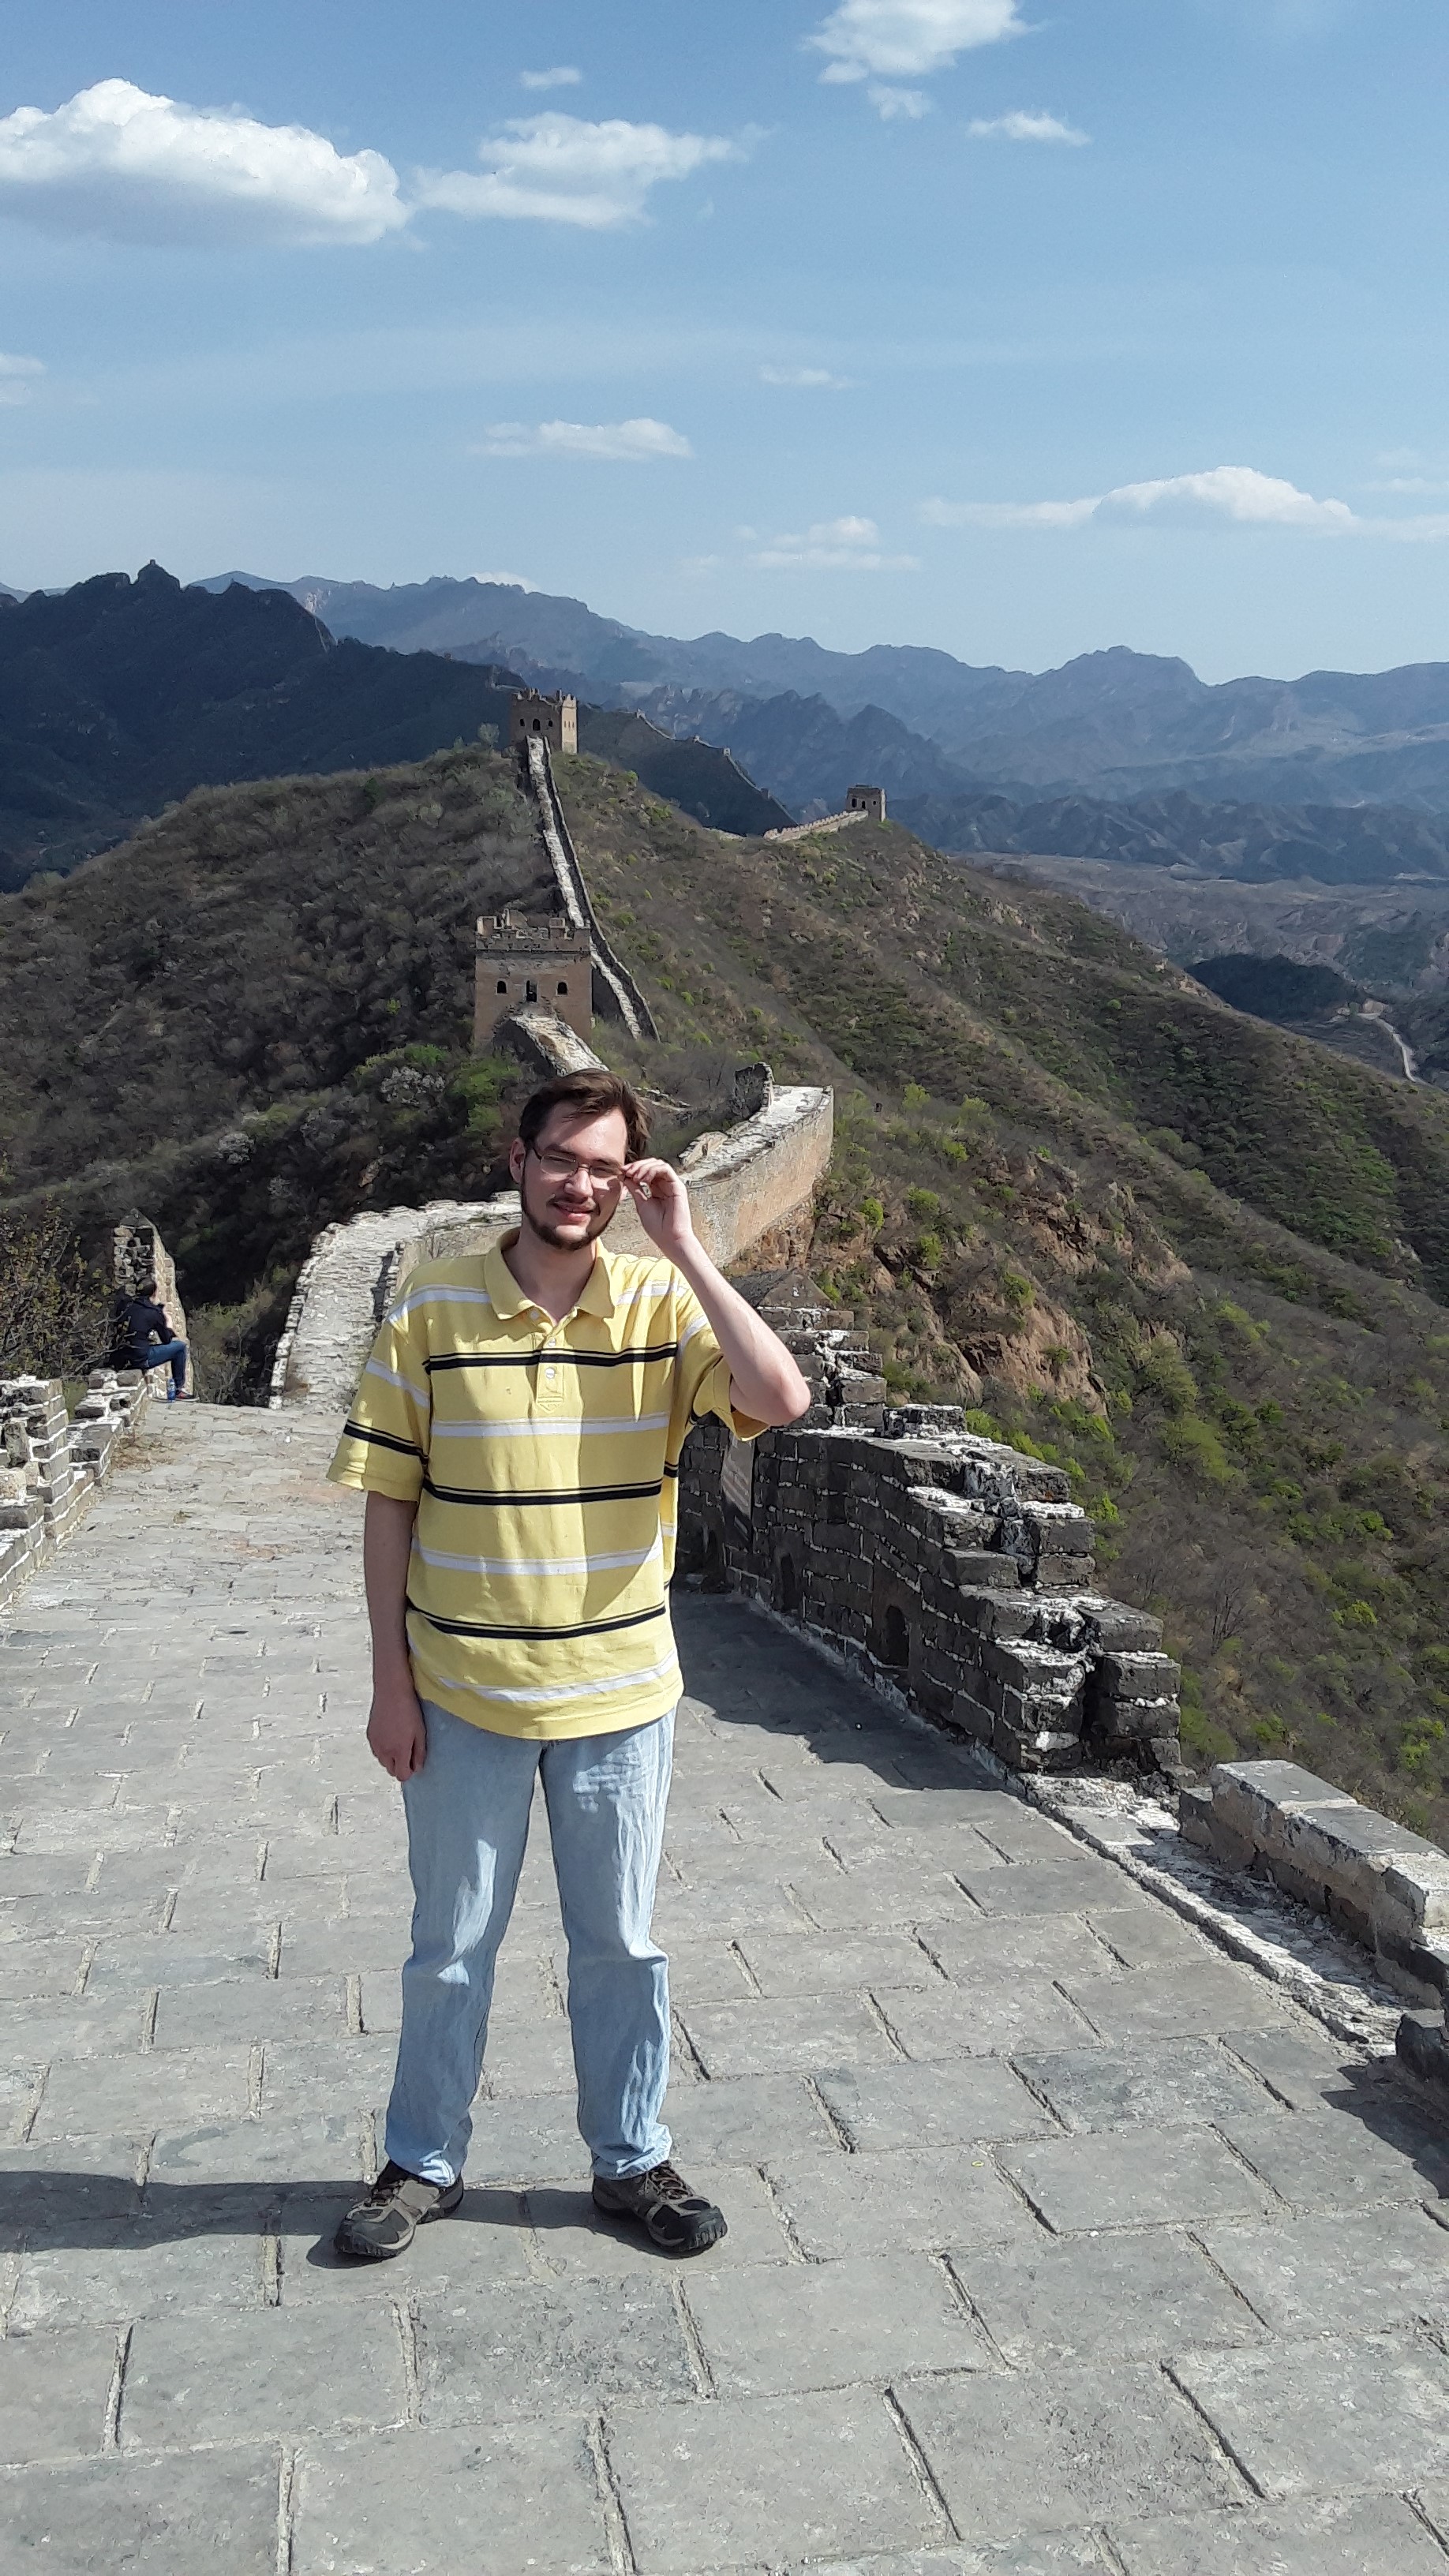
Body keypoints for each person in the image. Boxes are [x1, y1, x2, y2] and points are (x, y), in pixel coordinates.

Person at [327, 1069, 811, 2263]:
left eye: (604, 1167)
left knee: (621, 1946)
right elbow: (389, 1503)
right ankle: (421, 2161)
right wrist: (389, 1682)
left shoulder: (659, 1304)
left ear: (627, 1182)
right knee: (450, 1946)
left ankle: (632, 2158)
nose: (578, 1185)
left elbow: (781, 1396)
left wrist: (686, 1246)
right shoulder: (433, 1310)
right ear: (518, 1160)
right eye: (560, 1158)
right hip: (462, 1695)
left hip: (619, 1696)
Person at [122, 1279, 189, 1399]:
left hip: (121, 1356)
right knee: (180, 1347)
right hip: (140, 1358)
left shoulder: (125, 1305)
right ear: (154, 1293)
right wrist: (168, 1324)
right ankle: (178, 1390)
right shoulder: (153, 1312)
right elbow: (166, 1340)